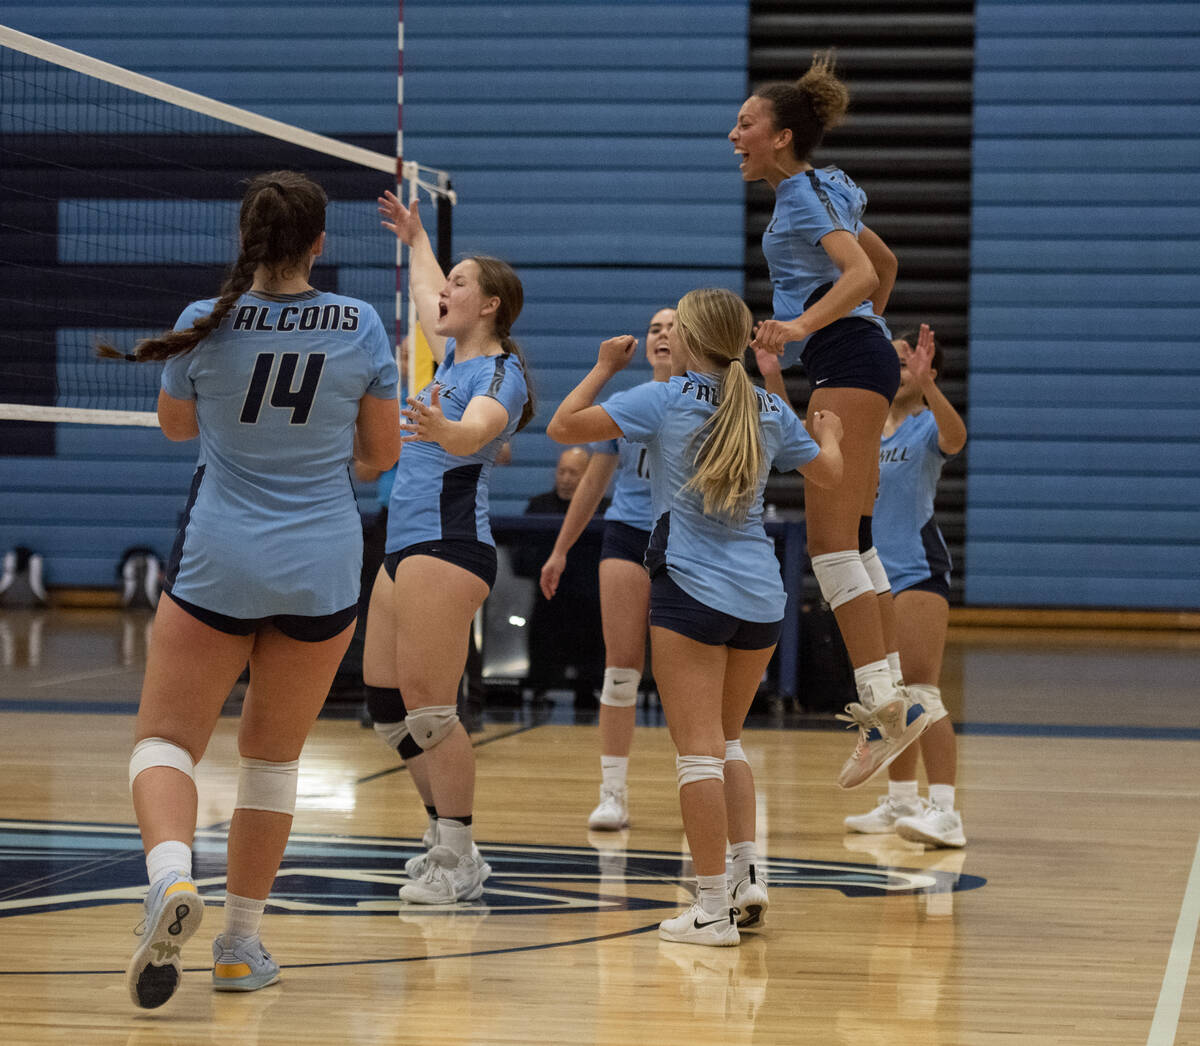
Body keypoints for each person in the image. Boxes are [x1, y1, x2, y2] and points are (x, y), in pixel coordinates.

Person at [101, 170, 400, 1008]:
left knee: (164, 743)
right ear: (319, 243)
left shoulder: (205, 321)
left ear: (246, 239)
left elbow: (176, 428)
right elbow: (382, 455)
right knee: (272, 760)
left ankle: (168, 879)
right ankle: (238, 944)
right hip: (323, 566)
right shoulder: (362, 324)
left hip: (220, 559)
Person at [547, 287, 843, 946]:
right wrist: (828, 433)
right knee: (729, 741)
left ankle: (711, 912)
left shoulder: (663, 399)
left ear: (690, 340)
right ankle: (742, 878)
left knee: (698, 754)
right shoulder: (767, 406)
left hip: (690, 591)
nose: (666, 336)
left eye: (674, 327)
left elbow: (562, 427)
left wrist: (601, 367)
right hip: (761, 599)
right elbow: (831, 476)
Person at [729, 50, 928, 789]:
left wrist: (802, 327)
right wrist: (855, 329)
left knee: (828, 540)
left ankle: (883, 705)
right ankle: (891, 699)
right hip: (856, 356)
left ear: (780, 135)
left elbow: (865, 274)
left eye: (745, 123)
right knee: (859, 538)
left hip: (846, 360)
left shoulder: (806, 198)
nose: (733, 134)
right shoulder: (825, 185)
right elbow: (889, 264)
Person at [362, 188, 532, 904]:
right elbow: (431, 289)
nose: (445, 291)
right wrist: (417, 237)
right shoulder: (449, 363)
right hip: (405, 548)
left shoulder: (500, 375)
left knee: (432, 710)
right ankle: (444, 837)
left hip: (450, 547)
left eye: (462, 284)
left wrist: (445, 434)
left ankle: (459, 856)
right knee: (387, 710)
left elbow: (482, 432)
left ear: (489, 305)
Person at [538, 307, 675, 831]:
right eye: (654, 328)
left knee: (680, 676)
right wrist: (560, 549)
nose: (662, 335)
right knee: (620, 671)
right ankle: (613, 793)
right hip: (627, 535)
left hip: (683, 541)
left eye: (673, 327)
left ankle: (697, 779)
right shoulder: (626, 405)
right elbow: (595, 479)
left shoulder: (705, 403)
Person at [844, 324, 968, 847]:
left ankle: (945, 811)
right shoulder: (871, 430)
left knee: (921, 691)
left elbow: (956, 438)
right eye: (890, 361)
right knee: (888, 695)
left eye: (906, 362)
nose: (898, 369)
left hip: (916, 570)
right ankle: (901, 802)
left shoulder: (924, 429)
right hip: (874, 575)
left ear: (925, 372)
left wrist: (930, 388)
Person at [515, 446, 608, 704]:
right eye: (562, 471)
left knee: (590, 641)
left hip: (587, 595)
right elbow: (521, 557)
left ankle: (588, 690)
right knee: (543, 638)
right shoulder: (538, 506)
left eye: (574, 473)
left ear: (588, 475)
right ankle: (539, 689)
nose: (566, 479)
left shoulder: (603, 508)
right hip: (549, 594)